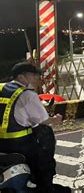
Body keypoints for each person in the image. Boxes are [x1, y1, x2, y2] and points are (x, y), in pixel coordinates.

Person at [0, 62, 70, 192]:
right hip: (19, 143)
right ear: (21, 77)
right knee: (44, 162)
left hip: (1, 144)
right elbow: (43, 120)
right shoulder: (28, 95)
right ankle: (46, 188)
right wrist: (57, 119)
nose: (38, 78)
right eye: (33, 75)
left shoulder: (1, 87)